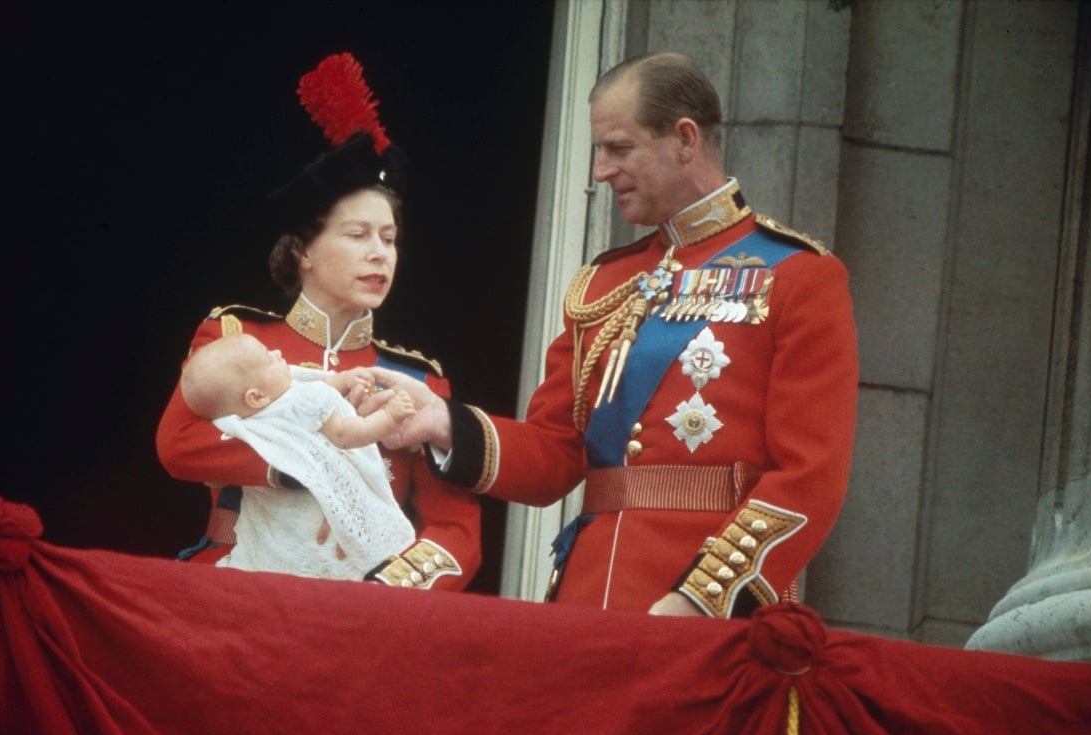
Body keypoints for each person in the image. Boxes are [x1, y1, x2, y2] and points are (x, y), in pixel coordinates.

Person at [374, 52, 858, 617]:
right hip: (586, 599)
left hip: (709, 610)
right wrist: (439, 421)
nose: (600, 170)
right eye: (599, 150)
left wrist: (701, 599)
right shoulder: (606, 282)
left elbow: (810, 477)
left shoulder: (798, 275)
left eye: (619, 148)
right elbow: (554, 455)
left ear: (684, 139)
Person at [157, 52, 481, 591]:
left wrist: (388, 591)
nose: (380, 254)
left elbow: (455, 528)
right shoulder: (237, 337)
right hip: (237, 586)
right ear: (303, 251)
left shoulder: (418, 379)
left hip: (363, 607)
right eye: (357, 235)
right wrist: (297, 466)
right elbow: (178, 444)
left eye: (389, 238)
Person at [178, 332, 418, 581]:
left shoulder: (237, 418)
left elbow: (304, 394)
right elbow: (345, 434)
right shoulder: (305, 399)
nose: (278, 353)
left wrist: (344, 378)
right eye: (269, 358)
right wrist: (390, 417)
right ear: (256, 397)